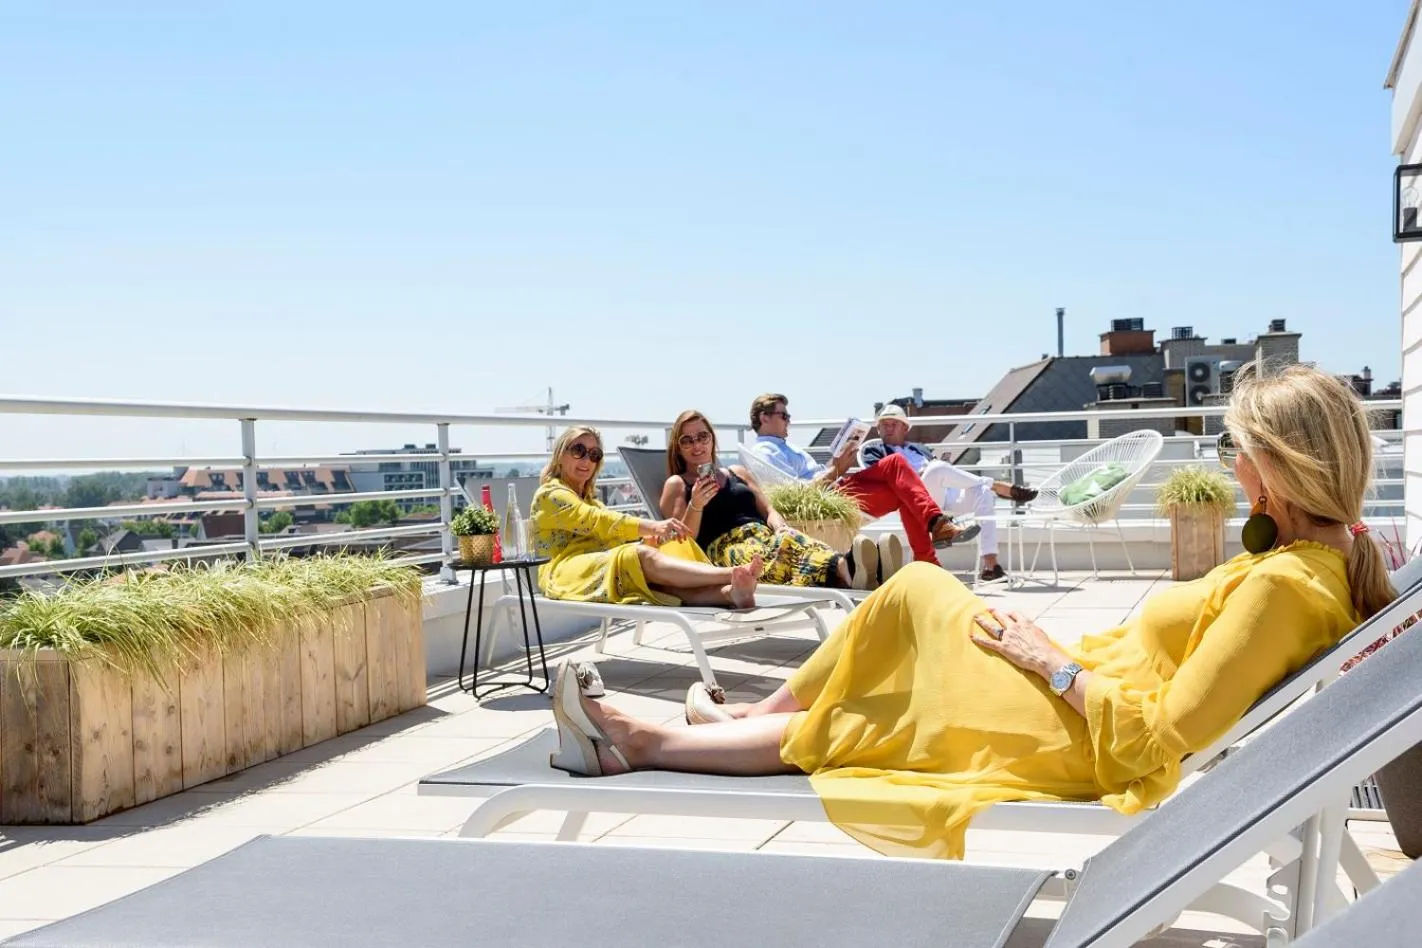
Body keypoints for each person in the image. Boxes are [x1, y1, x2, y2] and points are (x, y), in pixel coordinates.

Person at [545, 363, 1393, 861]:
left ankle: (658, 741)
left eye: (1236, 451)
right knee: (914, 597)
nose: (1231, 466)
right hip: (1073, 694)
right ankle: (724, 722)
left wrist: (1047, 661)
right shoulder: (1305, 566)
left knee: (907, 617)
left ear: (1276, 470)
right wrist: (1053, 655)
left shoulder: (1287, 587)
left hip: (1075, 732)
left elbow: (1158, 740)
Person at [530, 426, 762, 610]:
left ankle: (731, 593)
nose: (586, 460)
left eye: (594, 454)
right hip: (564, 573)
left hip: (598, 565)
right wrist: (653, 528)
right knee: (637, 557)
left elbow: (612, 536)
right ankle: (732, 573)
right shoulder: (551, 494)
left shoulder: (590, 499)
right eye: (578, 450)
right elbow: (598, 520)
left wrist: (649, 540)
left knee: (663, 578)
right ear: (561, 455)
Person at [747, 392, 979, 569]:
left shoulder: (786, 447)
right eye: (783, 415)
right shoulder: (765, 452)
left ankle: (931, 550)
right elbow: (795, 495)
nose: (788, 420)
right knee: (895, 464)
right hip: (826, 501)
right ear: (763, 418)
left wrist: (838, 464)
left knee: (901, 482)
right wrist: (835, 471)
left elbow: (814, 479)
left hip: (833, 490)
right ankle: (934, 542)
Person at [658, 410, 854, 589]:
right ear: (678, 447)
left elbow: (769, 510)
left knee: (789, 538)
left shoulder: (737, 472)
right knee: (772, 554)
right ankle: (846, 568)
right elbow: (683, 541)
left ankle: (847, 568)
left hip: (764, 536)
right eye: (687, 440)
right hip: (727, 549)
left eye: (703, 436)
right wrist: (696, 505)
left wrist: (780, 527)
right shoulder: (677, 484)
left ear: (712, 438)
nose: (697, 445)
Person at [863, 404, 1039, 583]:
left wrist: (940, 467)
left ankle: (990, 565)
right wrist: (927, 472)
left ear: (905, 428)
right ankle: (1000, 487)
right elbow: (884, 479)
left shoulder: (918, 448)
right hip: (917, 499)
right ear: (878, 429)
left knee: (982, 492)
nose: (889, 428)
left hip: (943, 493)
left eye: (894, 424)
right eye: (884, 424)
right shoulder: (874, 451)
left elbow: (938, 470)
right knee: (938, 469)